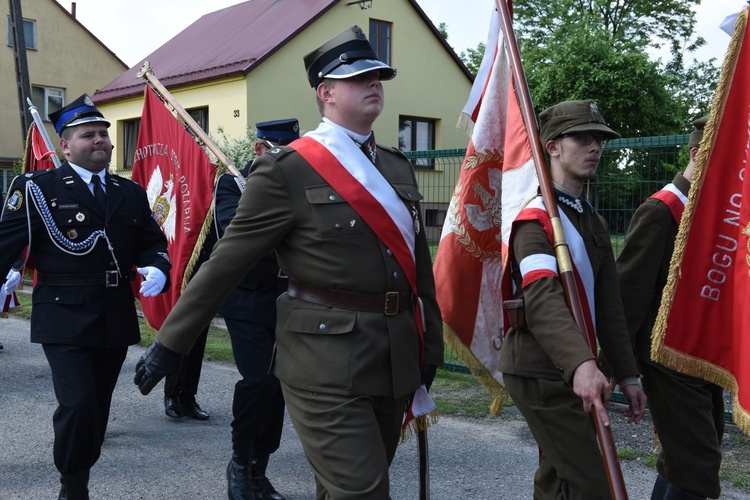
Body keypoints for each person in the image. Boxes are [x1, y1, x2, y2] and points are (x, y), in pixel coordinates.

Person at [133, 25, 443, 499]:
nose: (374, 84)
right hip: (324, 359)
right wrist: (172, 342)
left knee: (349, 486)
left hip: (394, 354)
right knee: (362, 492)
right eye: (360, 77)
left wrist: (430, 348)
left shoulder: (397, 168)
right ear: (326, 92)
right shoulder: (288, 169)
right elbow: (227, 262)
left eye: (378, 76)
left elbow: (419, 271)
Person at [0, 94, 171, 500]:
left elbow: (152, 241)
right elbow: (4, 244)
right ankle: (72, 487)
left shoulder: (128, 192)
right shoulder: (37, 188)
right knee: (77, 405)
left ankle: (80, 469)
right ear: (65, 144)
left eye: (104, 135)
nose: (100, 141)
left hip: (113, 313)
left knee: (96, 407)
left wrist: (159, 268)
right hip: (62, 314)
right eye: (88, 135)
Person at [499, 100, 647, 499]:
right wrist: (582, 364)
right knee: (593, 484)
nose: (595, 147)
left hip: (575, 370)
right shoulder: (534, 221)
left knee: (559, 479)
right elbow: (542, 299)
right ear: (552, 147)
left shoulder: (589, 218)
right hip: (540, 371)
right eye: (582, 138)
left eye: (598, 139)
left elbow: (610, 306)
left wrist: (627, 374)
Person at [617, 115, 724, 500]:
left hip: (699, 353)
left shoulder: (711, 212)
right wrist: (618, 367)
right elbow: (628, 295)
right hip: (665, 355)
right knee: (699, 460)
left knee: (686, 455)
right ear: (698, 152)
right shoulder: (661, 210)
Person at [219, 119, 299, 500]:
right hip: (248, 300)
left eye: (290, 152)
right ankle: (238, 461)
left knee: (280, 387)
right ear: (259, 150)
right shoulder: (233, 185)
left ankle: (259, 467)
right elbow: (233, 233)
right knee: (258, 382)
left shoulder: (298, 185)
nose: (283, 159)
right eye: (276, 151)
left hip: (290, 302)